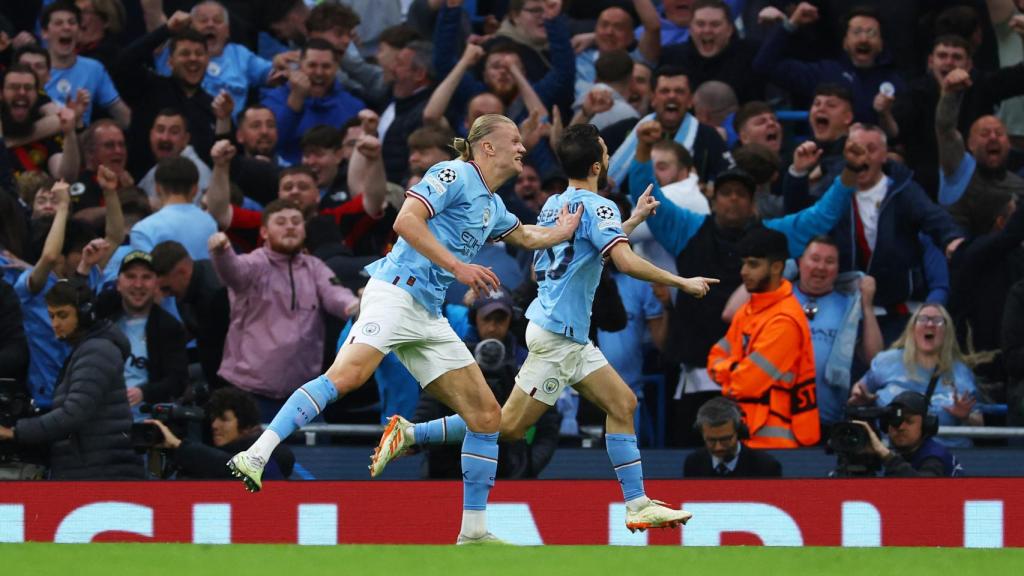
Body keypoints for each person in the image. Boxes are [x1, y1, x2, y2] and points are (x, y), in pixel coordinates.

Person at [228, 114, 581, 545]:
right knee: (349, 375)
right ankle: (256, 453)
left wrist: (563, 230)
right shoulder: (451, 172)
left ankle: (472, 530)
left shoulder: (493, 205)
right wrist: (458, 266)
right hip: (395, 292)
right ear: (486, 146)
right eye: (515, 140)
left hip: (429, 313)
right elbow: (405, 222)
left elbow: (524, 235)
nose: (523, 149)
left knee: (488, 417)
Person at [370, 123, 716, 533]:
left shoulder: (557, 206)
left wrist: (635, 219)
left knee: (623, 404)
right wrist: (682, 282)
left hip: (564, 332)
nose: (608, 157)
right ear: (596, 164)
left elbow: (588, 250)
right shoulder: (598, 207)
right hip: (558, 336)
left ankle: (637, 502)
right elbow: (622, 262)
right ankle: (412, 434)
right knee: (508, 426)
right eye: (605, 151)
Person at [208, 199, 359, 421]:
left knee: (318, 454)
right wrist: (222, 252)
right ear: (264, 232)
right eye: (281, 222)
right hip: (249, 394)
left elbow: (337, 296)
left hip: (304, 395)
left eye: (296, 221)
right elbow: (233, 271)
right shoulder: (254, 263)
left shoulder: (315, 267)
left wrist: (357, 307)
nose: (290, 226)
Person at [0, 280, 143, 479]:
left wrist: (14, 432)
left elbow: (73, 414)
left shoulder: (97, 351)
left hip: (102, 476)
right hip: (89, 469)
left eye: (62, 315)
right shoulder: (86, 350)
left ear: (85, 314)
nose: (55, 324)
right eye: (51, 316)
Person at [413, 287, 559, 479]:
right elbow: (428, 407)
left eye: (500, 320)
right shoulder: (452, 358)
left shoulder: (527, 363)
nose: (492, 327)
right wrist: (414, 439)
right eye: (487, 319)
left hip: (510, 473)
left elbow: (549, 423)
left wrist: (528, 465)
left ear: (511, 320)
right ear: (475, 319)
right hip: (448, 471)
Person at [708, 227, 821, 448]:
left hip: (775, 441)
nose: (743, 271)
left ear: (777, 267)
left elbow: (746, 385)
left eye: (753, 264)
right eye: (743, 263)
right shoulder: (749, 309)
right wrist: (734, 371)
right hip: (748, 434)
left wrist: (728, 373)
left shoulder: (785, 320)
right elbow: (713, 358)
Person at [850, 304, 982, 448]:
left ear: (947, 332)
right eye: (923, 319)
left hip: (947, 455)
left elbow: (979, 422)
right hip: (894, 456)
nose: (930, 324)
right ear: (912, 329)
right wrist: (864, 399)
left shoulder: (961, 372)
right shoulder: (886, 362)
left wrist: (965, 416)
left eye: (938, 320)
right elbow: (858, 390)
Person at [793, 236, 883, 431]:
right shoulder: (779, 296)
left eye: (829, 261)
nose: (821, 267)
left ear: (837, 269)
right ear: (800, 262)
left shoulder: (849, 305)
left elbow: (875, 359)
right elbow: (729, 312)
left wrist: (867, 305)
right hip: (783, 420)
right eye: (815, 259)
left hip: (830, 422)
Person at [95, 250, 188, 420]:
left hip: (145, 420)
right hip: (101, 416)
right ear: (118, 283)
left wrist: (143, 392)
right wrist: (85, 267)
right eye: (131, 276)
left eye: (146, 277)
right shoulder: (102, 319)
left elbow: (178, 381)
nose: (138, 285)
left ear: (156, 284)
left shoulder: (170, 327)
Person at [146, 387, 294, 480]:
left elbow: (235, 468)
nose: (215, 425)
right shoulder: (207, 458)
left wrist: (179, 446)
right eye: (213, 419)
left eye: (224, 419)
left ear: (245, 423)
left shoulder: (273, 452)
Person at [151, 240, 229, 389]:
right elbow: (194, 330)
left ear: (182, 271)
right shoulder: (187, 289)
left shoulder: (216, 294)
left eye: (166, 288)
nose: (166, 295)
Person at [851, 391, 963, 477]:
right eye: (894, 422)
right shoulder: (901, 455)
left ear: (925, 425)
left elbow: (924, 491)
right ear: (885, 426)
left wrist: (887, 456)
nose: (900, 427)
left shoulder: (934, 456)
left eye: (909, 421)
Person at [683, 396, 782, 478]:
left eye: (725, 439)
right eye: (711, 440)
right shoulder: (694, 463)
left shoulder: (766, 466)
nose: (718, 447)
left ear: (739, 431)